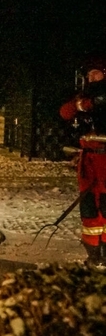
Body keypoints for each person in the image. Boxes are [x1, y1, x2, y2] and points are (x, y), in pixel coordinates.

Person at [60, 60, 106, 268]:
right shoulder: (84, 97)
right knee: (88, 207)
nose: (91, 78)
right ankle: (93, 253)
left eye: (95, 74)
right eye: (89, 75)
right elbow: (65, 112)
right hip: (88, 162)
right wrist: (78, 105)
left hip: (104, 160)